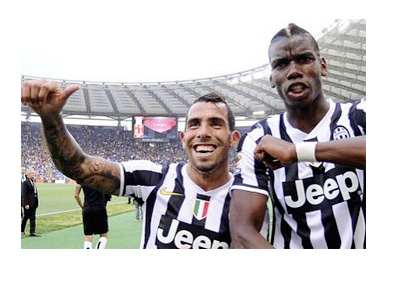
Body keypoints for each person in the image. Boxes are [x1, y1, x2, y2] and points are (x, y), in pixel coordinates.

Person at [21, 81, 248, 248]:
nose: (203, 133)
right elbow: (79, 167)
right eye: (195, 124)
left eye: (216, 124)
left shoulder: (250, 198)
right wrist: (51, 118)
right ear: (183, 137)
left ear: (234, 138)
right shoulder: (153, 178)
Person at [230, 23, 366, 249]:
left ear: (322, 66)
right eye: (281, 64)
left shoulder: (359, 115)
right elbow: (243, 232)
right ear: (272, 78)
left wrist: (298, 151)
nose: (293, 71)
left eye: (304, 59)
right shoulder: (260, 136)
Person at [74, 183, 109, 249]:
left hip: (87, 208)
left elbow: (76, 195)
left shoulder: (82, 179)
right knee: (103, 235)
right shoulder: (100, 178)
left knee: (88, 236)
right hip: (99, 207)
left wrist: (82, 206)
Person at [21, 168, 41, 237]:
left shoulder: (33, 182)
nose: (34, 175)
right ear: (28, 174)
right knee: (26, 217)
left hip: (34, 203)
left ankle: (32, 231)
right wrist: (25, 204)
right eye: (32, 173)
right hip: (28, 204)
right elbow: (23, 194)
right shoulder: (25, 183)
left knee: (33, 217)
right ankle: (22, 230)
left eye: (34, 173)